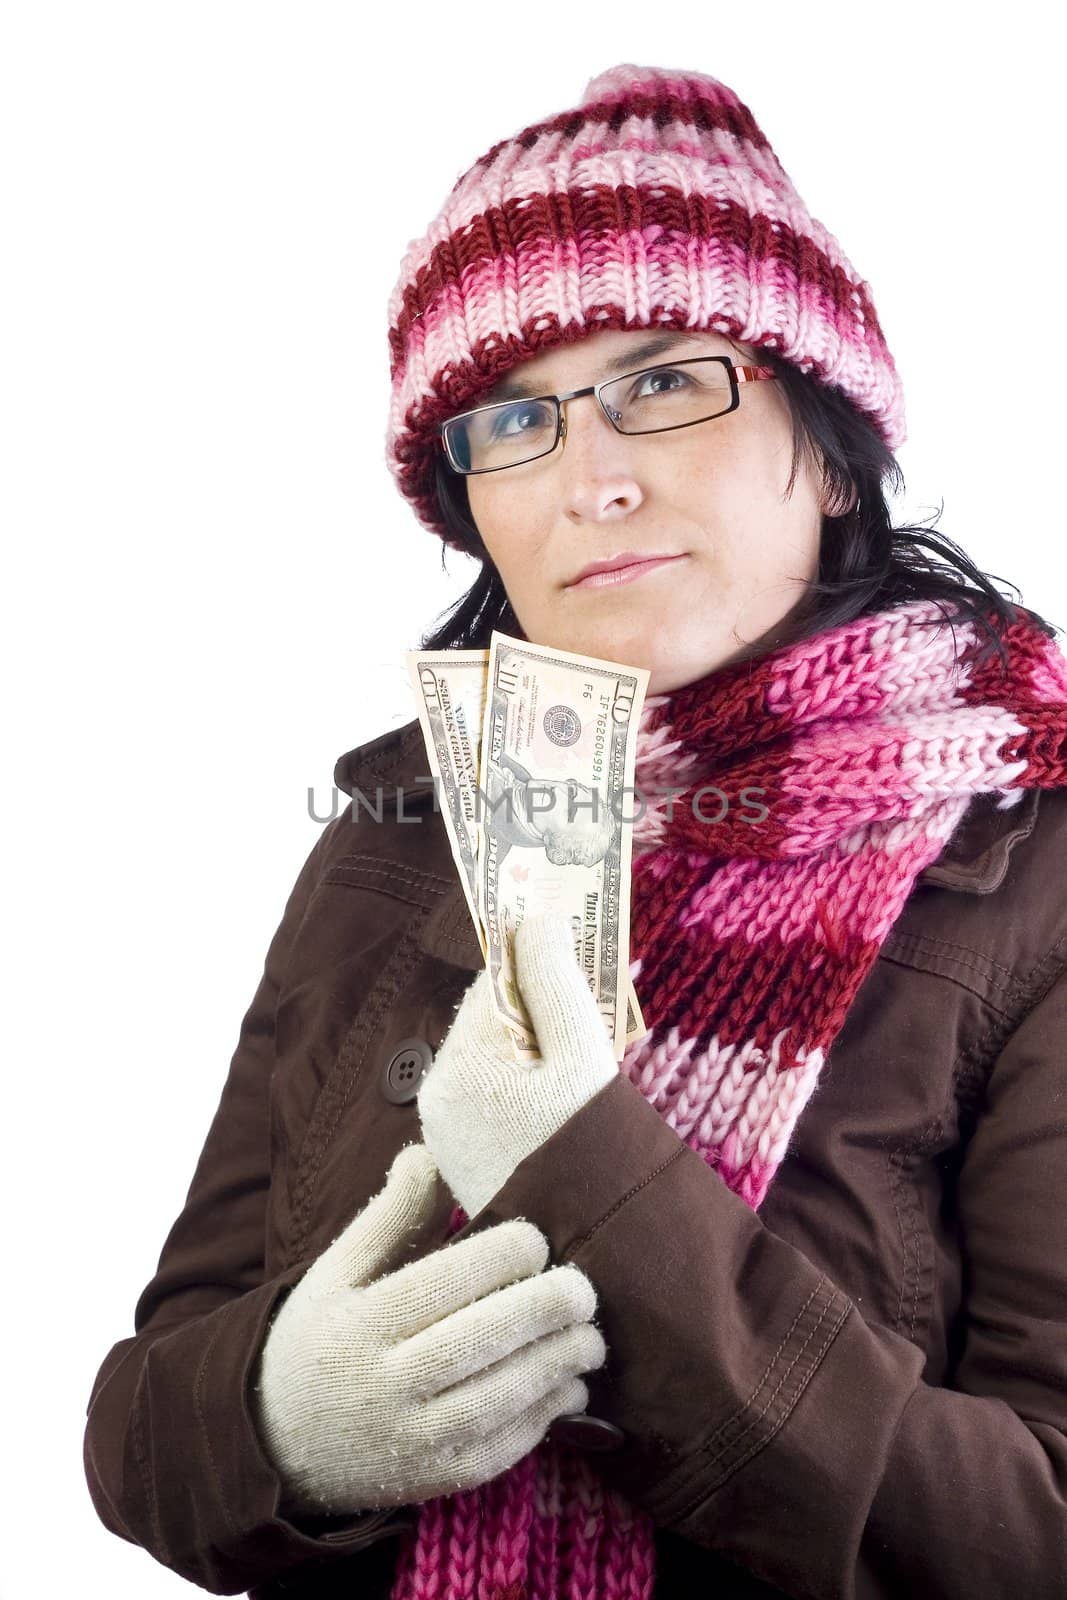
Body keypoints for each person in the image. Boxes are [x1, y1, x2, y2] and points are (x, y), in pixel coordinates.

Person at [83, 61, 1067, 1599]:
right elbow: (143, 1425)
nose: (592, 481)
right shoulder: (397, 839)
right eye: (514, 420)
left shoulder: (1034, 868)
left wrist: (586, 1181)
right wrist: (281, 1425)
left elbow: (1037, 1534)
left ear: (826, 440)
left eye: (666, 382)